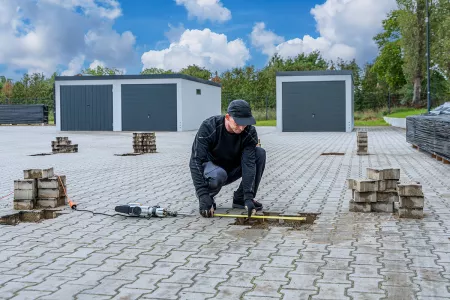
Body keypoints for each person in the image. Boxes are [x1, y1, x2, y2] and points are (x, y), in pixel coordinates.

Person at [189, 99, 266, 218]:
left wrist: (248, 197)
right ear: (228, 117)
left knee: (259, 153)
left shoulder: (249, 132)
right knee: (219, 173)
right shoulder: (209, 127)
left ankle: (240, 199)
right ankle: (208, 199)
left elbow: (249, 163)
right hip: (213, 172)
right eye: (238, 123)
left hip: (232, 169)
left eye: (244, 123)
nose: (241, 128)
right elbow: (195, 161)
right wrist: (202, 195)